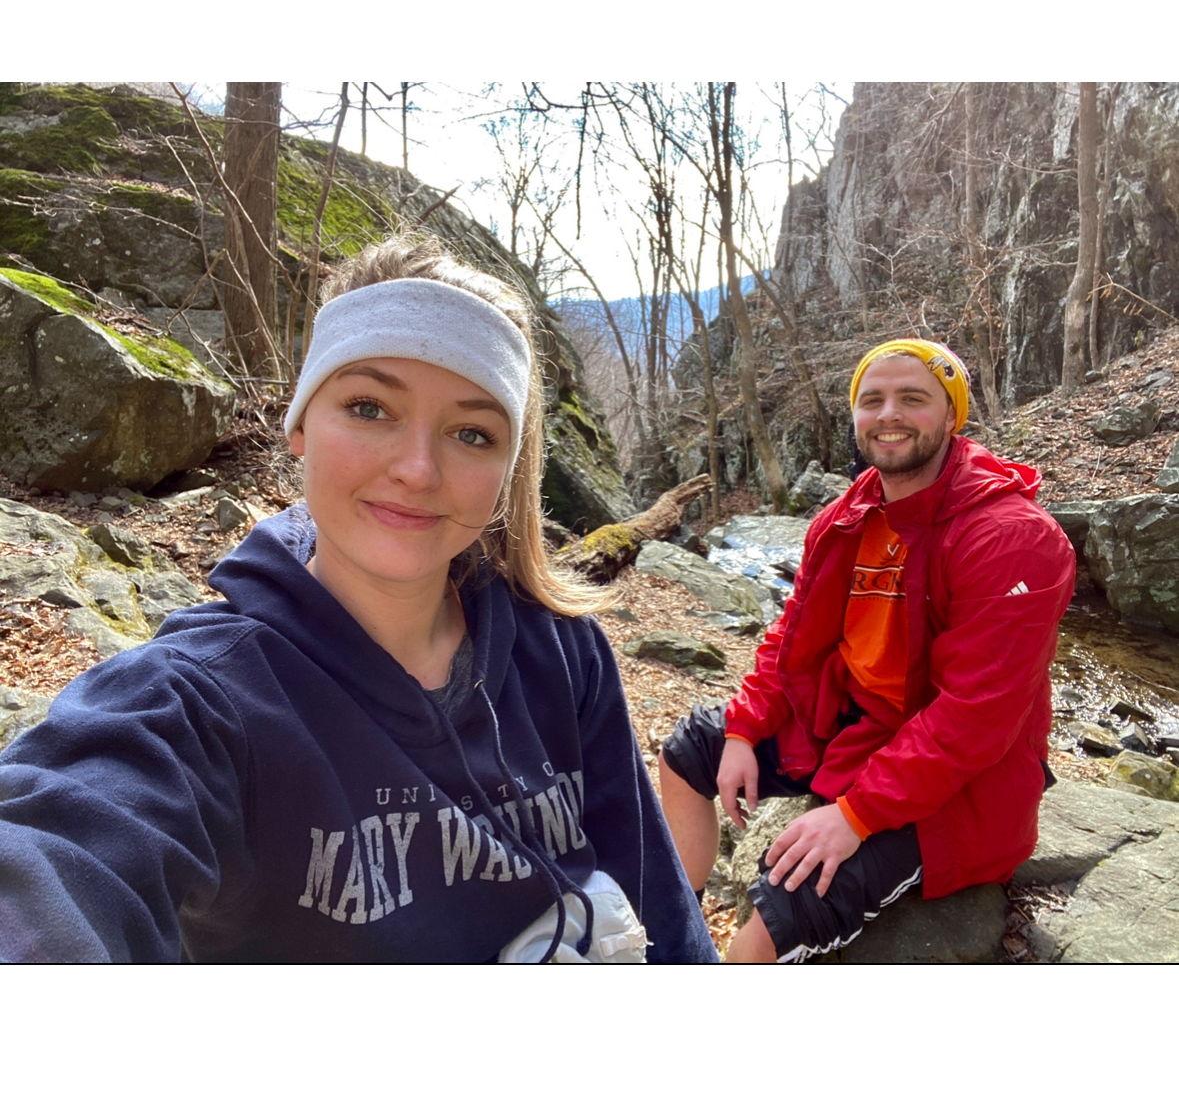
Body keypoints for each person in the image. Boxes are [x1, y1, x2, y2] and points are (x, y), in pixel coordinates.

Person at [0, 235, 716, 964]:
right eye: (370, 407)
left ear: (509, 470)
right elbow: (56, 851)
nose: (416, 468)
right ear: (301, 424)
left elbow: (660, 909)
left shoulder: (561, 652)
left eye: (471, 432)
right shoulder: (202, 704)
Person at [659, 338, 1076, 963]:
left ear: (952, 414)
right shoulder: (847, 516)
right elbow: (792, 634)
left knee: (791, 897)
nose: (889, 415)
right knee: (690, 749)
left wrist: (853, 817)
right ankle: (680, 935)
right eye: (872, 400)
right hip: (850, 726)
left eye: (913, 399)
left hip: (960, 786)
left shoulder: (1013, 539)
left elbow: (975, 717)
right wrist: (744, 729)